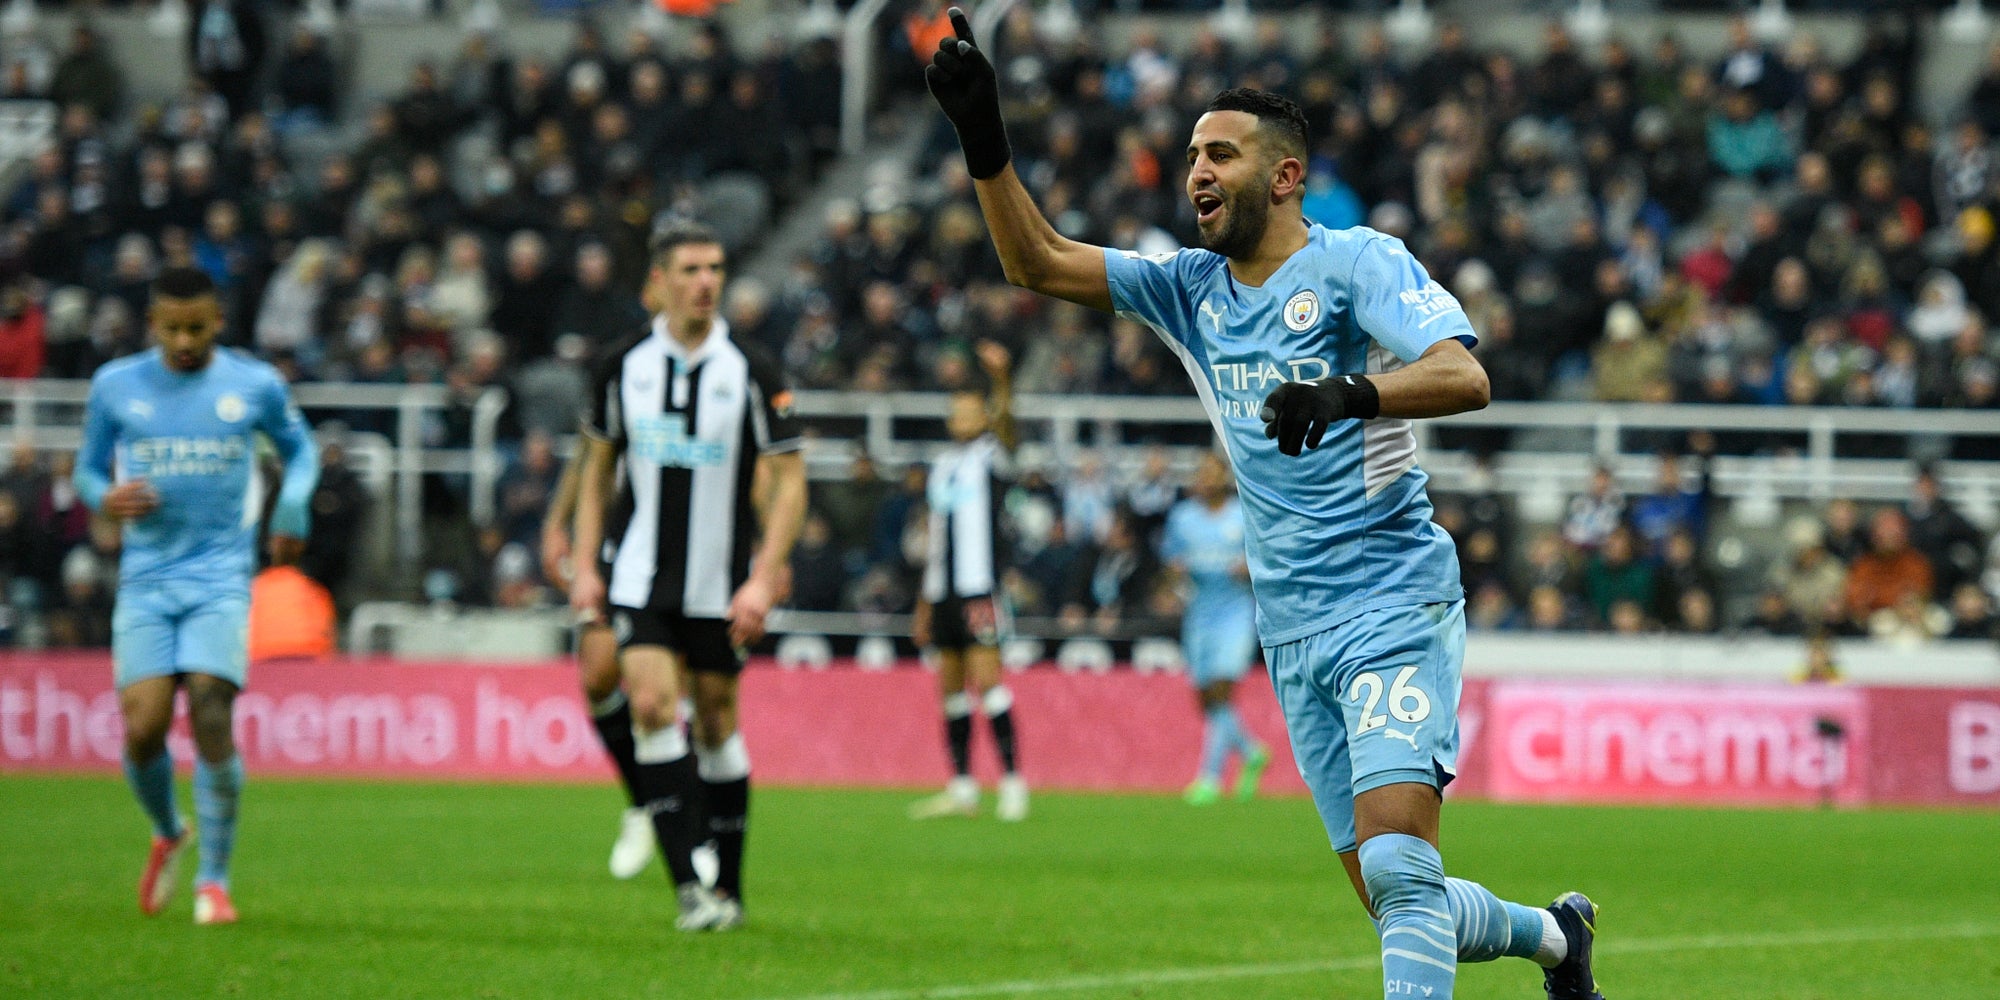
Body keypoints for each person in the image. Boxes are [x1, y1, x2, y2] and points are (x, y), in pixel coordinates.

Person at [925, 14, 1604, 999]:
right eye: (1191, 156)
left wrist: (1346, 393)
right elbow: (1035, 261)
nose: (1196, 172)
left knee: (1399, 867)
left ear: (1284, 176)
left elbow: (1464, 374)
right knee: (1394, 897)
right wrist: (982, 136)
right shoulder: (1188, 290)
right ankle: (1554, 937)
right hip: (1289, 627)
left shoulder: (1357, 262)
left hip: (1389, 598)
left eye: (1220, 155)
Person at [568, 221, 808, 932]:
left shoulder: (754, 369)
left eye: (715, 268)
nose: (706, 282)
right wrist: (585, 565)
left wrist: (763, 576)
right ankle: (689, 891)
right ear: (661, 281)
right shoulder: (622, 365)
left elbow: (790, 482)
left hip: (720, 581)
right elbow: (595, 472)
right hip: (639, 575)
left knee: (716, 722)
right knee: (649, 704)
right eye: (691, 269)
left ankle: (727, 886)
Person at [74, 266, 320, 924]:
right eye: (172, 329)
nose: (185, 341)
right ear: (152, 325)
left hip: (220, 577)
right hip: (147, 580)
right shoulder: (116, 385)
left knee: (212, 705)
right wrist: (105, 497)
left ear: (218, 322)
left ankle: (214, 880)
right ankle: (167, 830)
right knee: (144, 729)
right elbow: (87, 469)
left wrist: (293, 502)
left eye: (197, 328)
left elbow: (302, 452)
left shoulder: (254, 384)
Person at [907, 340, 1030, 822]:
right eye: (955, 410)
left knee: (989, 683)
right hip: (942, 591)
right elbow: (936, 538)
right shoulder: (941, 466)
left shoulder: (991, 456)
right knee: (951, 690)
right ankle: (961, 785)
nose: (959, 416)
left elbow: (1010, 429)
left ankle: (1013, 782)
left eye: (969, 409)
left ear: (983, 415)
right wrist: (923, 601)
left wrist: (1002, 381)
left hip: (979, 588)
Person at [1159, 452, 1271, 806]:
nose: (1205, 480)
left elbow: (1266, 559)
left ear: (1225, 479)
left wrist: (1250, 568)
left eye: (1212, 474)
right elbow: (1170, 561)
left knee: (1222, 690)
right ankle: (1250, 751)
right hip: (1199, 612)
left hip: (1236, 611)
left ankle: (1210, 777)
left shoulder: (1243, 515)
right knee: (1205, 698)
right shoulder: (1183, 518)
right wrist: (1174, 577)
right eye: (1201, 474)